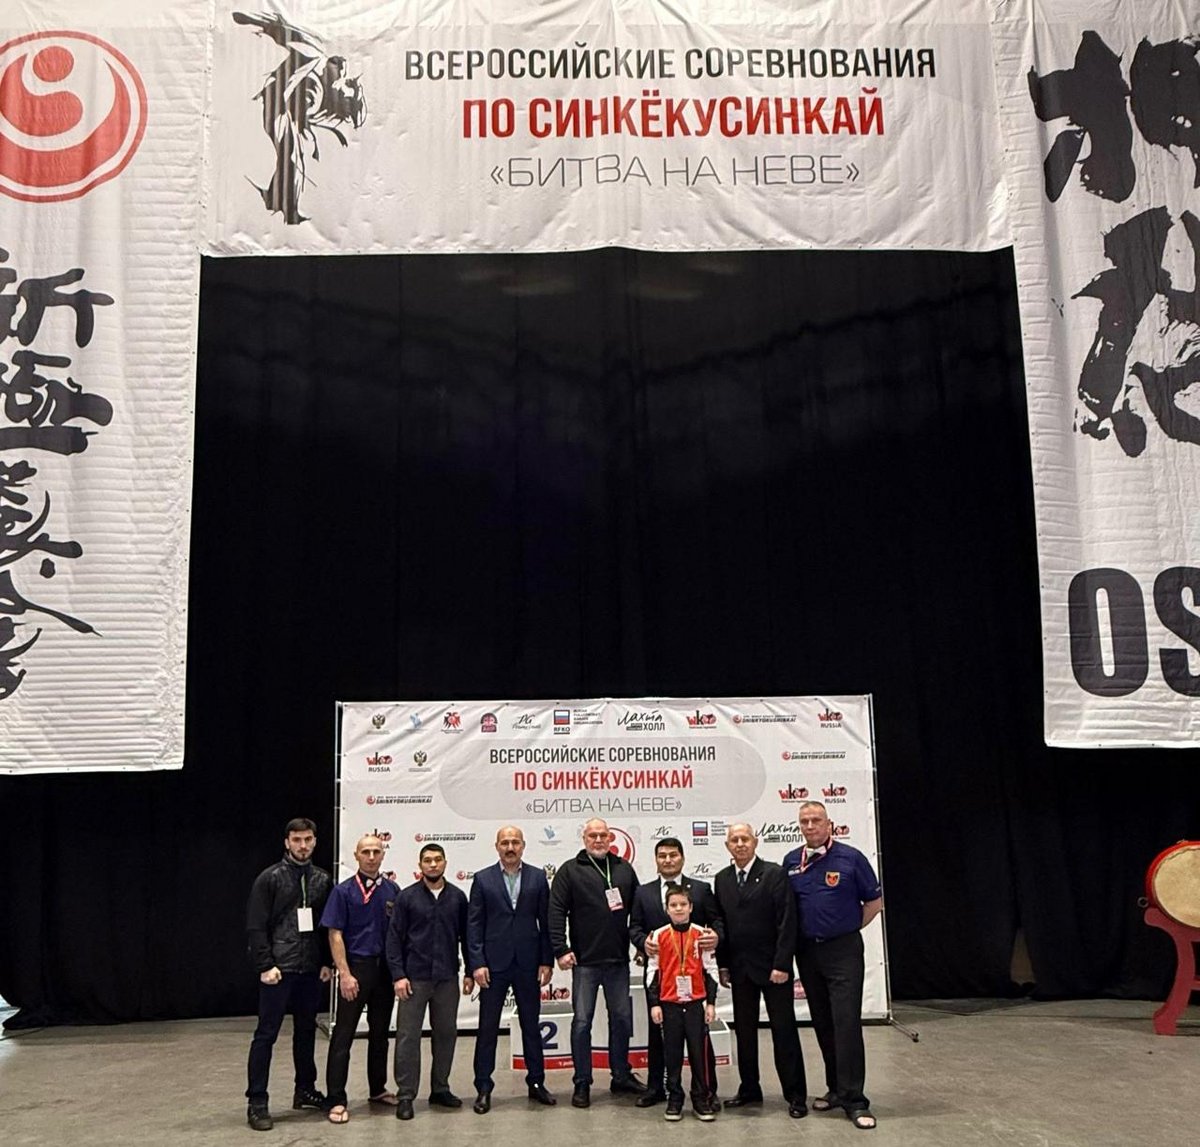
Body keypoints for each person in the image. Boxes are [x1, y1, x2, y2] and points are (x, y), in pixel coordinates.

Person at [785, 802, 883, 1132]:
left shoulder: (851, 858)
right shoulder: (791, 861)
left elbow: (874, 902)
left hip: (843, 952)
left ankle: (856, 1100)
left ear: (830, 824)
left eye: (816, 820)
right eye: (804, 821)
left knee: (846, 1023)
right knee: (823, 1023)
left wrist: (848, 928)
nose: (810, 826)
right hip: (807, 953)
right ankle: (836, 1089)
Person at [548, 817, 647, 1107]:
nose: (599, 840)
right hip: (585, 962)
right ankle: (582, 1082)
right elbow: (556, 911)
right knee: (582, 1022)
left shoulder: (623, 869)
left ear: (611, 838)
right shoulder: (570, 870)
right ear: (584, 839)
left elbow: (638, 911)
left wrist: (640, 946)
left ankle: (621, 1076)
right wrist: (560, 949)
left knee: (622, 1019)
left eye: (603, 835)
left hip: (618, 961)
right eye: (593, 835)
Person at [244, 817, 334, 1132]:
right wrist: (265, 965)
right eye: (297, 840)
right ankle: (257, 1101)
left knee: (306, 1031)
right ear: (287, 842)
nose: (303, 845)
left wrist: (326, 962)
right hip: (278, 970)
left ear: (315, 841)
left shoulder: (322, 879)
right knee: (266, 1035)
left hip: (310, 969)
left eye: (308, 839)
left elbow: (326, 925)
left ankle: (305, 1089)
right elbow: (256, 926)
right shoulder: (269, 878)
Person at [713, 822, 807, 1118]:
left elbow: (787, 921)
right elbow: (722, 925)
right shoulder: (722, 878)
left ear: (755, 842)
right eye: (734, 840)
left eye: (745, 839)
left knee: (783, 1031)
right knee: (744, 1032)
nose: (740, 844)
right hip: (740, 970)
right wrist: (723, 964)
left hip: (773, 968)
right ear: (727, 846)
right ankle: (749, 1089)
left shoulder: (774, 874)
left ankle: (795, 1095)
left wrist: (782, 964)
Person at [467, 825, 557, 1113]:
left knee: (531, 1025)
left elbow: (546, 923)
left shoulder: (538, 877)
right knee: (487, 1028)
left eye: (515, 842)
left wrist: (546, 960)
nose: (510, 847)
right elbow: (474, 925)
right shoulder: (483, 879)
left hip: (528, 963)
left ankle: (536, 1083)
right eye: (505, 842)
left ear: (523, 846)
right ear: (497, 846)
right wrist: (477, 963)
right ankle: (483, 1087)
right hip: (493, 965)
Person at [629, 836, 724, 1109]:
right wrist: (643, 943)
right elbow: (634, 927)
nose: (668, 860)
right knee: (659, 1035)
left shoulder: (701, 889)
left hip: (695, 979)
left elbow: (717, 920)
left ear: (682, 857)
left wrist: (715, 936)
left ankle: (707, 1091)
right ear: (656, 860)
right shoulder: (643, 892)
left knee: (699, 1039)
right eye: (662, 856)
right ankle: (658, 1088)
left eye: (673, 855)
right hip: (661, 977)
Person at [385, 842, 472, 1121]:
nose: (433, 864)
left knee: (446, 1034)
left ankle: (440, 1089)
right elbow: (394, 939)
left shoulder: (457, 897)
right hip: (414, 979)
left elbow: (467, 938)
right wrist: (398, 975)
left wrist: (470, 971)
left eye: (437, 859)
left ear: (445, 863)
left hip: (447, 978)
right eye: (427, 860)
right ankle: (406, 1095)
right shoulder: (406, 898)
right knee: (408, 1037)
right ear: (420, 865)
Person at [320, 834, 399, 1124]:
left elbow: (398, 934)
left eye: (376, 851)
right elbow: (335, 934)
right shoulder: (342, 892)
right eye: (366, 852)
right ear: (356, 856)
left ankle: (377, 1089)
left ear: (383, 855)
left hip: (384, 971)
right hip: (356, 969)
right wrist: (345, 973)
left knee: (380, 1034)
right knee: (343, 1035)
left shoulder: (392, 889)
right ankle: (336, 1098)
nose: (371, 857)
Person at [646, 885, 721, 1122]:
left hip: (696, 1003)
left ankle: (700, 1098)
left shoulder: (702, 934)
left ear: (691, 907)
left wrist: (710, 1003)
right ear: (666, 909)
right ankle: (675, 1098)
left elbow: (710, 969)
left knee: (699, 1054)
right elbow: (652, 971)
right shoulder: (658, 936)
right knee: (672, 1054)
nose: (678, 909)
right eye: (673, 905)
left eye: (683, 904)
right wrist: (654, 1003)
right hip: (669, 1004)